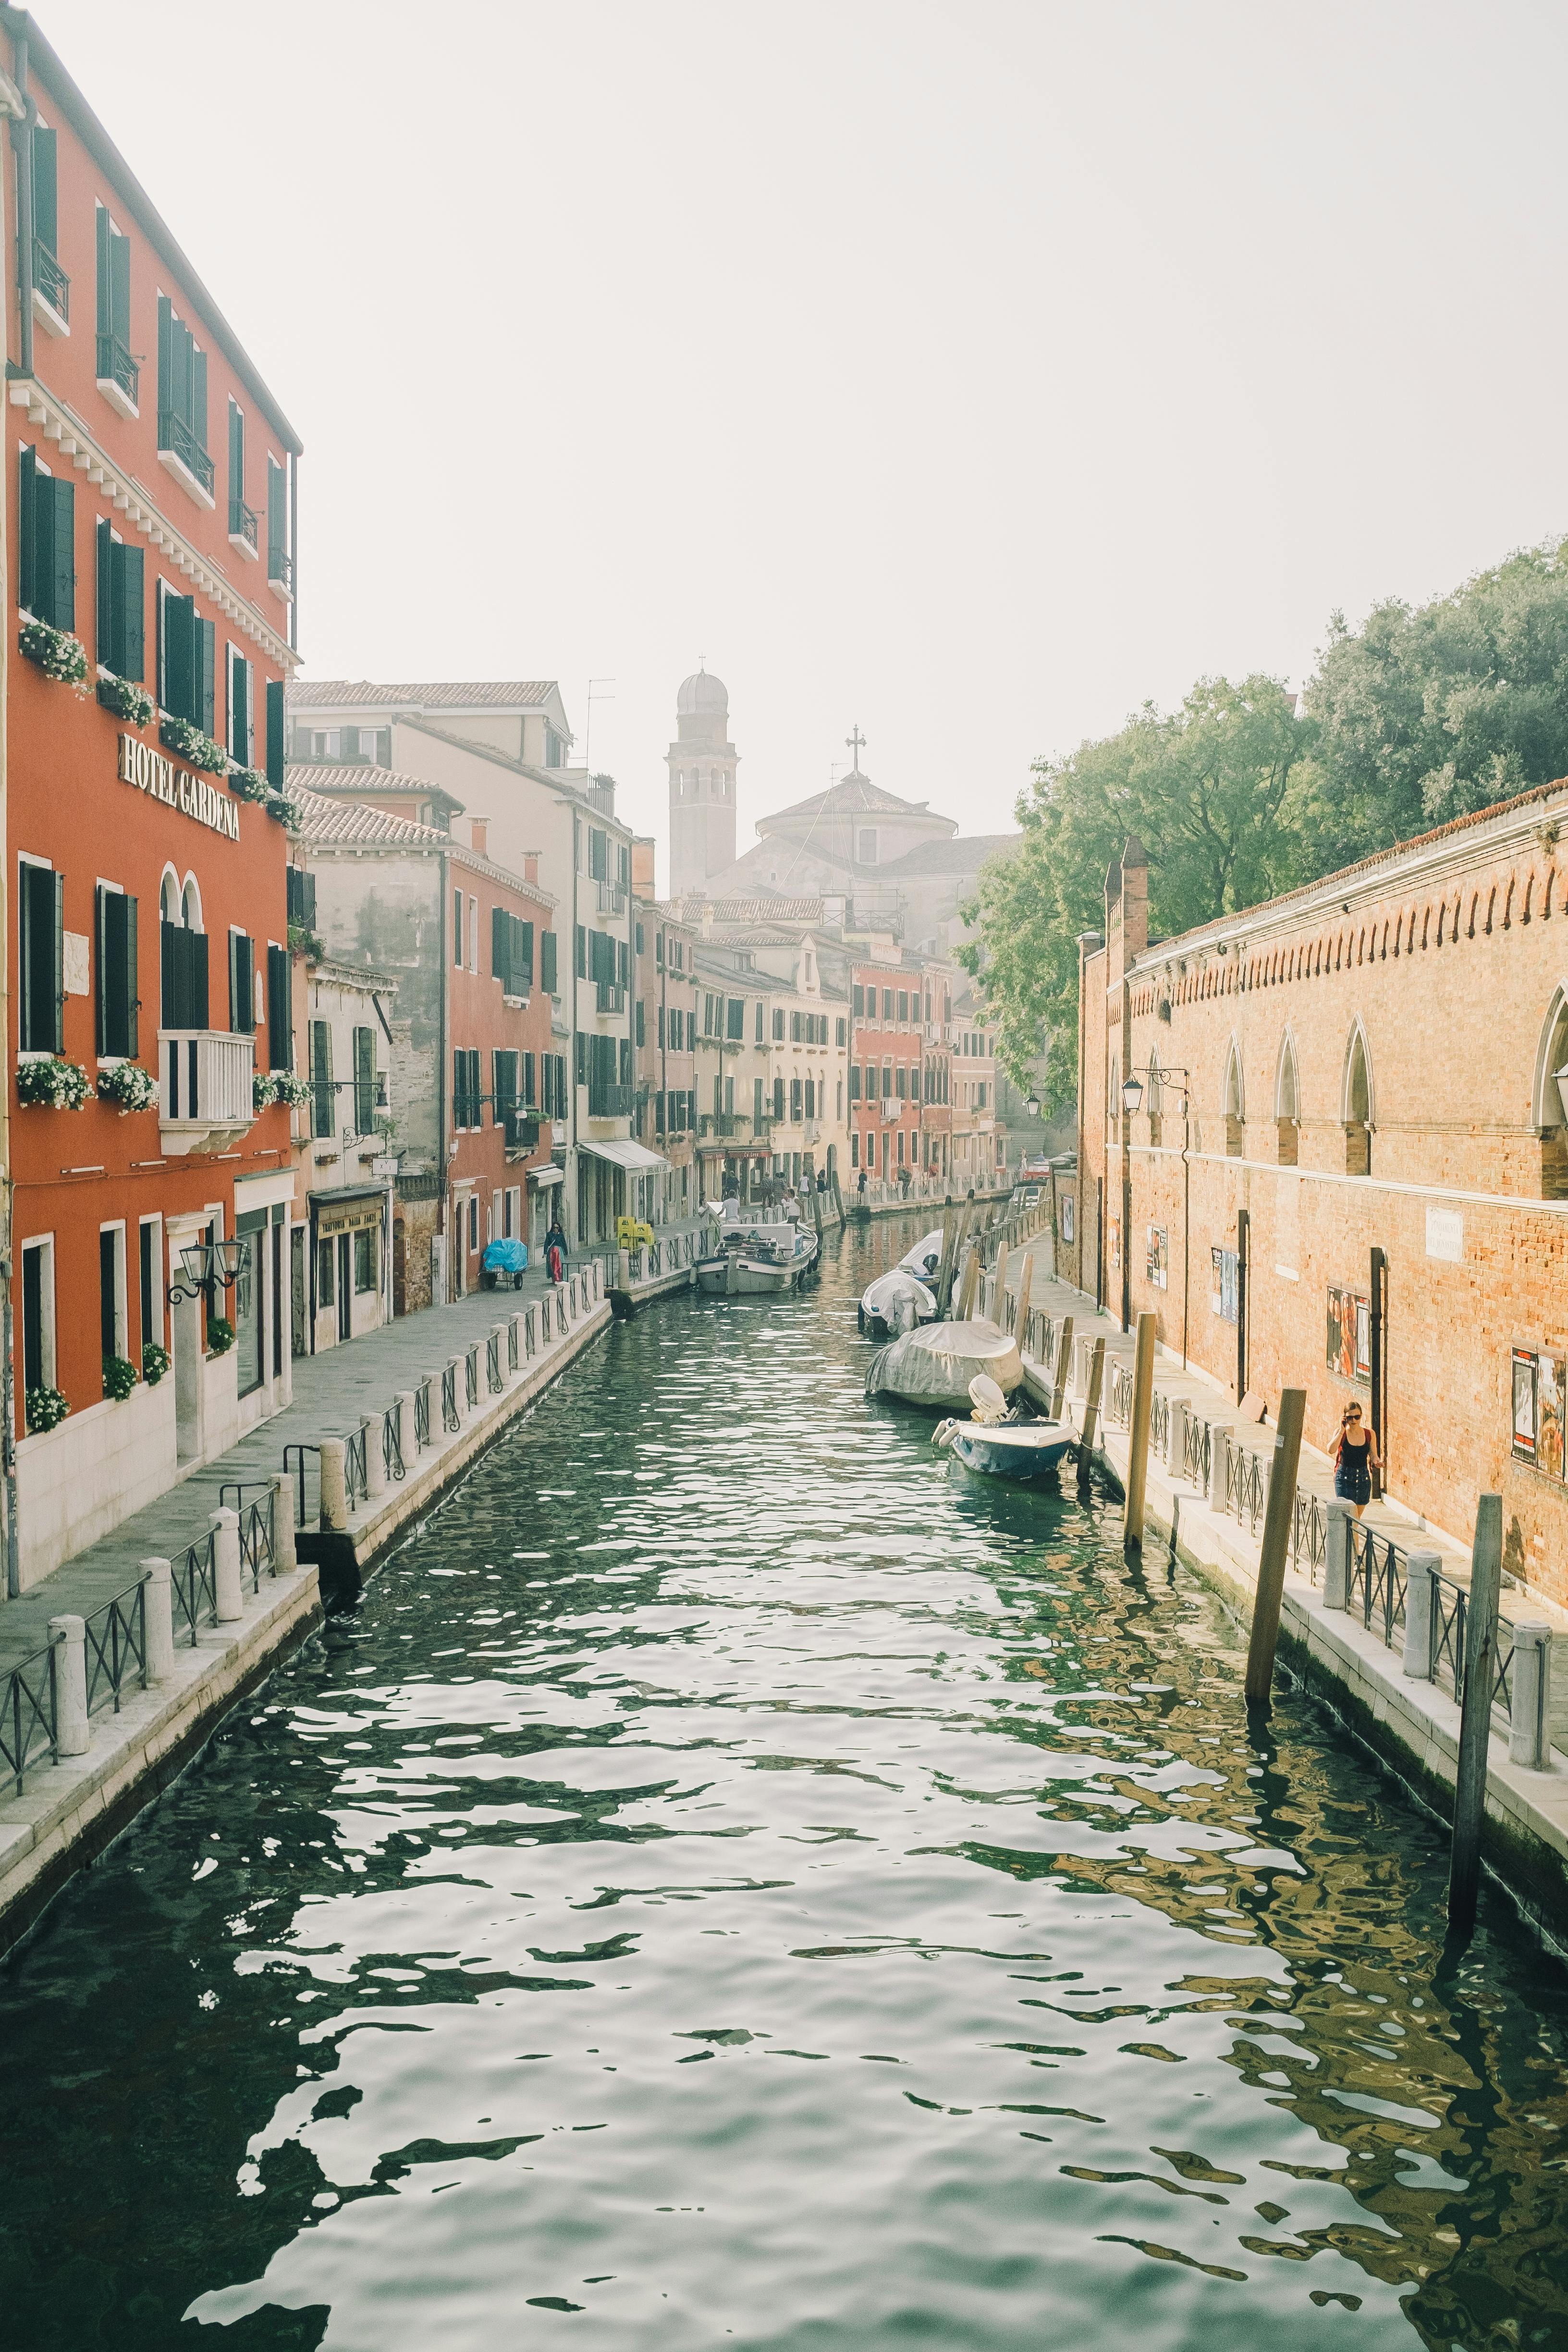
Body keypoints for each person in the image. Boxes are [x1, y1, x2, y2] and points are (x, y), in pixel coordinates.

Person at [1332, 1399, 1380, 1519]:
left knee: (1355, 1521)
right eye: (1350, 1418)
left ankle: (1352, 1539)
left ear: (1361, 1416)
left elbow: (1374, 1455)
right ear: (1345, 1418)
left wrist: (1377, 1461)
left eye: (1357, 1417)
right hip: (1344, 1478)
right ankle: (1349, 1539)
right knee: (1346, 1519)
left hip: (1363, 1479)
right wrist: (1342, 1430)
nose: (1354, 1420)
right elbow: (1331, 1450)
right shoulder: (1340, 1433)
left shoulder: (1370, 1434)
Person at [544, 1214, 568, 1286]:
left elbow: (564, 1244)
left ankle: (560, 1278)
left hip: (559, 1253)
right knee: (552, 1266)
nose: (556, 1229)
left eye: (557, 1228)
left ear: (559, 1228)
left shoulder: (561, 1235)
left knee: (559, 1265)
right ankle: (554, 1279)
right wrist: (545, 1253)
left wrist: (566, 1253)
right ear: (553, 1228)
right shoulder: (549, 1234)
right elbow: (546, 1244)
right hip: (552, 1253)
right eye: (554, 1228)